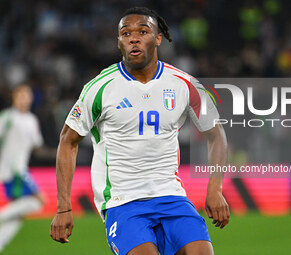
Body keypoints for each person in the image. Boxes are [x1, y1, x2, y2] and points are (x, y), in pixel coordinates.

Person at [50, 6, 229, 255]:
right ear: (119, 42)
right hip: (123, 202)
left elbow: (216, 134)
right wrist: (63, 207)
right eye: (125, 33)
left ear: (157, 38)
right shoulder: (100, 87)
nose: (133, 37)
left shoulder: (185, 85)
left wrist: (215, 188)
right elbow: (68, 141)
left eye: (143, 31)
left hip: (172, 196)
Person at [0, 85, 47, 252]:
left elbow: (36, 147)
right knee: (39, 201)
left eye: (27, 95)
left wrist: (57, 152)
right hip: (13, 171)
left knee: (17, 216)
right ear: (14, 97)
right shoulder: (8, 118)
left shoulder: (32, 120)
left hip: (22, 169)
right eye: (20, 95)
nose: (24, 98)